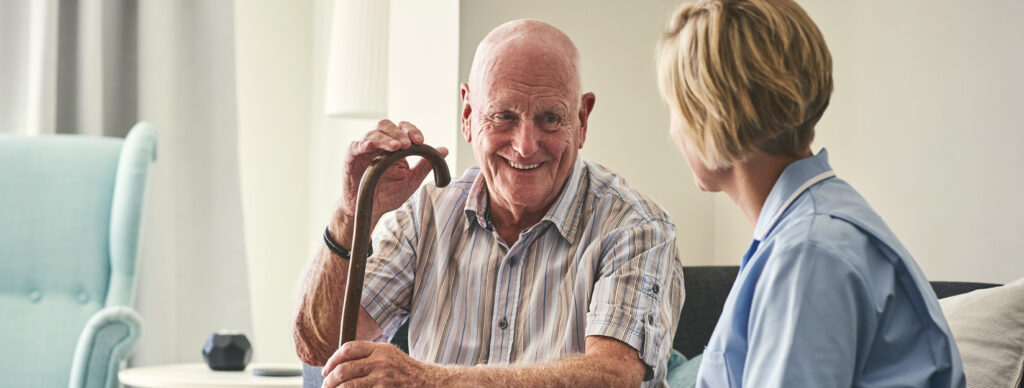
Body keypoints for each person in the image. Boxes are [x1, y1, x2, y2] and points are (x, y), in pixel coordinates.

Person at [294, 19, 684, 387]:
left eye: (550, 118)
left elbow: (614, 375)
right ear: (468, 114)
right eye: (503, 117)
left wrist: (429, 381)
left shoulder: (636, 227)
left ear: (582, 119)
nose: (525, 145)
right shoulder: (426, 216)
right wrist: (351, 212)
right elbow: (318, 348)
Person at [655, 0, 964, 387]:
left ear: (709, 114)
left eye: (674, 108)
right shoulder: (808, 232)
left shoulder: (809, 253)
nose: (672, 132)